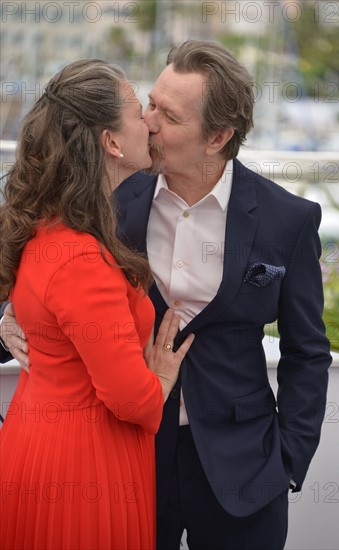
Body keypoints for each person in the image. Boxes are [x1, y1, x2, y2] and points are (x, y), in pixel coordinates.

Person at [1, 41, 332, 550]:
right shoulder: (106, 195)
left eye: (168, 115)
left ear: (217, 136)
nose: (150, 122)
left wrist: (290, 459)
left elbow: (307, 351)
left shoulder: (286, 219)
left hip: (243, 472)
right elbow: (37, 253)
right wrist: (8, 314)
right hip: (125, 463)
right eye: (150, 103)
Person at [0, 59, 194, 550]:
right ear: (110, 141)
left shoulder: (45, 225)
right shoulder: (82, 258)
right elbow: (132, 398)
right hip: (84, 469)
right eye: (137, 110)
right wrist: (162, 380)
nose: (149, 121)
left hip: (39, 444)